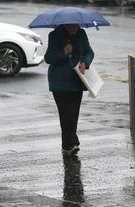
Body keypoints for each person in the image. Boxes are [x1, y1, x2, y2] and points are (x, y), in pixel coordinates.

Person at [44, 24, 94, 156]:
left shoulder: (81, 34)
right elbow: (48, 58)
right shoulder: (54, 35)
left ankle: (72, 141)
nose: (75, 28)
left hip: (76, 79)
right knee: (65, 113)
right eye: (72, 26)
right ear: (66, 25)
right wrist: (64, 52)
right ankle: (68, 145)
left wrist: (85, 63)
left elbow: (89, 52)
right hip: (59, 81)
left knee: (74, 112)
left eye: (76, 26)